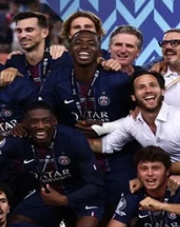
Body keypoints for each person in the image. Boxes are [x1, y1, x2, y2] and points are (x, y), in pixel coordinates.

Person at [39, 31, 134, 209]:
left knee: (121, 206)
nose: (84, 47)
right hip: (76, 158)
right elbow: (42, 114)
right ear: (70, 49)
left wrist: (105, 128)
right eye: (78, 43)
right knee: (83, 210)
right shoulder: (57, 79)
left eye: (91, 43)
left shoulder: (118, 79)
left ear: (100, 51)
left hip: (117, 157)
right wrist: (73, 138)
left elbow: (136, 117)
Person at [91, 70, 180, 163]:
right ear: (133, 97)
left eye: (153, 85)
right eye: (141, 87)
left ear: (162, 91)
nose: (148, 90)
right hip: (157, 176)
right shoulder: (132, 121)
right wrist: (79, 138)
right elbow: (105, 145)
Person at [5, 12, 69, 88]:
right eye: (19, 31)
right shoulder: (14, 62)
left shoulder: (60, 59)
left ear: (44, 33)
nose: (22, 35)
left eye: (29, 30)